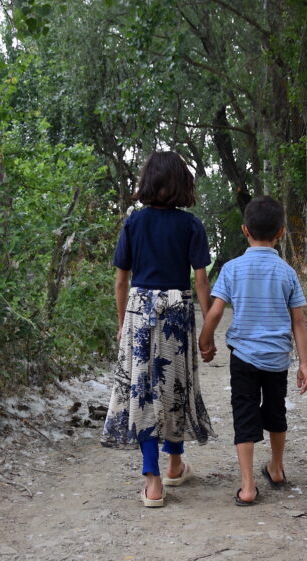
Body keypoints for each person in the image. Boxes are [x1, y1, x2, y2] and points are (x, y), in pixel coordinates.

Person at [101, 150, 216, 508]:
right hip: (177, 313)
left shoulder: (133, 222)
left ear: (147, 182)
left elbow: (121, 280)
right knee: (174, 387)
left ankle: (153, 482)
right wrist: (207, 330)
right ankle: (175, 464)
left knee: (142, 391)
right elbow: (200, 282)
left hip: (139, 312)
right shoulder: (191, 225)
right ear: (183, 183)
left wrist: (123, 325)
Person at [198, 195, 307, 506]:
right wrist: (304, 364)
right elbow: (298, 321)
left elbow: (217, 312)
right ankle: (275, 468)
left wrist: (204, 340)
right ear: (281, 232)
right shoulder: (287, 272)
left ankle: (247, 487)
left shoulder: (232, 269)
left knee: (245, 413)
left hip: (244, 357)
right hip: (276, 358)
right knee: (276, 411)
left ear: (245, 230)